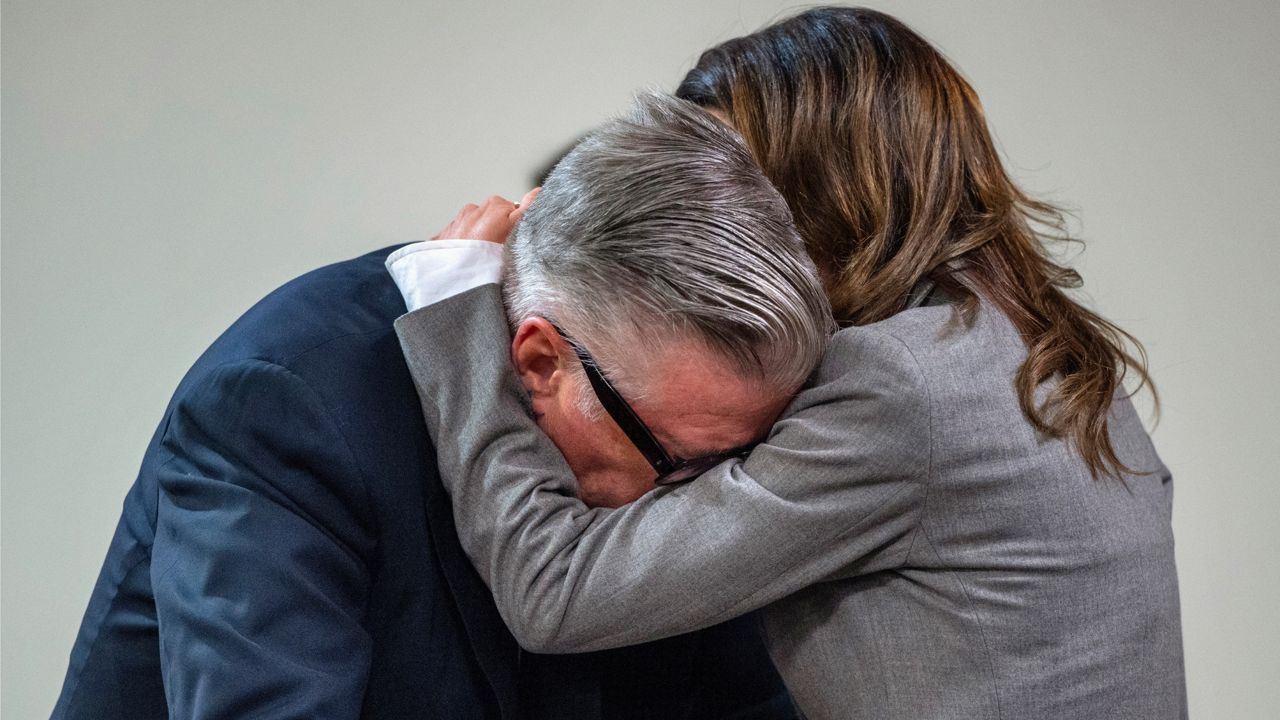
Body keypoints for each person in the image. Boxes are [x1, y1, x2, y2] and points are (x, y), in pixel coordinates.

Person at [391, 7, 1187, 720]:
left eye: (727, 178)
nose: (713, 216)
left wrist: (454, 303)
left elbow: (560, 595)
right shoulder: (1029, 341)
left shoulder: (903, 384)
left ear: (813, 183)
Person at [52, 93, 831, 719]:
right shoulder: (291, 404)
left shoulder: (669, 432)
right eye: (681, 463)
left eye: (739, 464)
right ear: (538, 363)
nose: (707, 503)